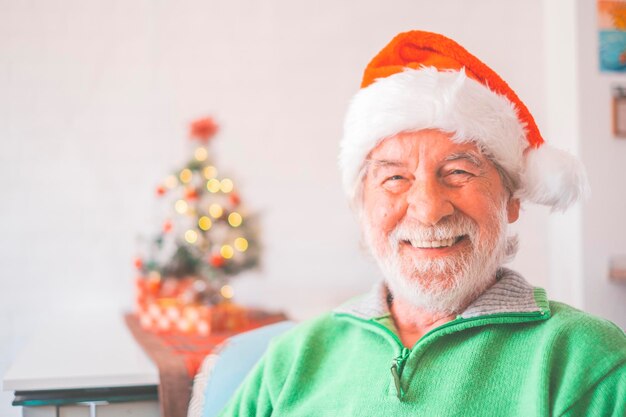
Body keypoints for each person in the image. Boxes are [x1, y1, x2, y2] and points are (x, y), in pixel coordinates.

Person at [218, 30, 626, 416]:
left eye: (459, 172)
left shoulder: (589, 362)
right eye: (395, 178)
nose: (428, 210)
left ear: (511, 201)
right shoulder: (290, 360)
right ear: (363, 207)